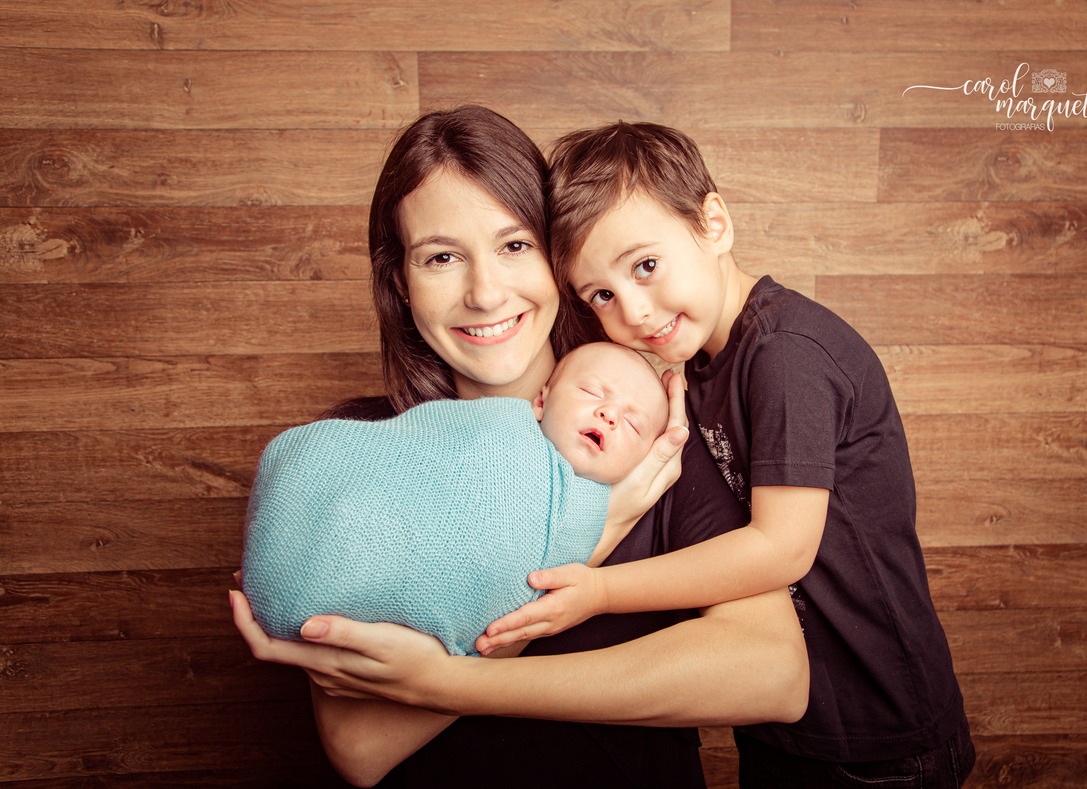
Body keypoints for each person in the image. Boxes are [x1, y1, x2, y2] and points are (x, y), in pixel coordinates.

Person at [229, 106, 808, 789]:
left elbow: (774, 675)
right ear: (400, 284)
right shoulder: (367, 452)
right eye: (442, 257)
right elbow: (361, 748)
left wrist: (450, 682)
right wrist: (593, 532)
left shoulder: (650, 440)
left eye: (514, 246)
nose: (484, 292)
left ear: (559, 261)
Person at [478, 120, 974, 788]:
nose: (635, 311)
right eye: (603, 295)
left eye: (646, 266)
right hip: (786, 730)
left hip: (880, 732)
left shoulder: (785, 353)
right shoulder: (695, 368)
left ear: (714, 224)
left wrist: (598, 591)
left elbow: (781, 549)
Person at [241, 342, 669, 655]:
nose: (610, 415)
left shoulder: (598, 512)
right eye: (593, 392)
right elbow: (421, 448)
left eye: (633, 424)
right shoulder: (499, 423)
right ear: (541, 400)